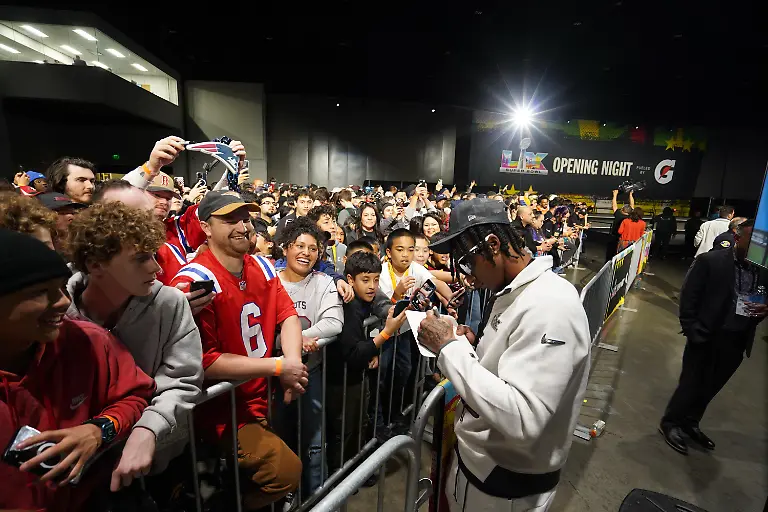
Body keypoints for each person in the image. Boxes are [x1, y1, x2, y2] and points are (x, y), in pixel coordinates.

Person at [417, 199, 590, 512]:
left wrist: (448, 348)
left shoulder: (550, 306)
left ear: (492, 245)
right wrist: (472, 348)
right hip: (483, 467)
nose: (467, 276)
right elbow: (507, 370)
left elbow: (524, 418)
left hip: (506, 483)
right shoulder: (514, 291)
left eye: (468, 263)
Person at [0, 229, 155, 511]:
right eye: (39, 292)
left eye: (61, 288)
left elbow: (136, 396)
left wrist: (100, 430)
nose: (62, 302)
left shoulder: (87, 341)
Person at [170, 191, 306, 510]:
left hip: (262, 398)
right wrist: (277, 367)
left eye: (245, 218)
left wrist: (292, 364)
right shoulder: (195, 280)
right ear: (205, 227)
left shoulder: (260, 264)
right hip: (224, 410)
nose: (243, 226)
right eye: (230, 219)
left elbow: (288, 315)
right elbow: (206, 361)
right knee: (285, 473)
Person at [63, 202, 203, 492]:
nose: (157, 267)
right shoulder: (59, 309)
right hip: (76, 470)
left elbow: (183, 379)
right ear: (95, 264)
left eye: (153, 254)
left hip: (154, 461)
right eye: (141, 258)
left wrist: (148, 428)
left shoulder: (169, 303)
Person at [660, 219, 766, 455]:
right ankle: (671, 423)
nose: (760, 245)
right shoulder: (711, 261)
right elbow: (689, 297)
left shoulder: (761, 268)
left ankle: (690, 422)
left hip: (737, 339)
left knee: (711, 387)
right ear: (738, 238)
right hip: (706, 336)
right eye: (755, 240)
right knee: (690, 384)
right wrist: (692, 330)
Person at [276, 217, 343, 494]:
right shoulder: (270, 279)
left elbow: (334, 323)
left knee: (314, 442)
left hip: (310, 372)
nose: (305, 253)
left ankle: (317, 497)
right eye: (299, 246)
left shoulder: (324, 282)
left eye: (313, 248)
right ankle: (284, 496)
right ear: (285, 249)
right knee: (278, 440)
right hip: (273, 374)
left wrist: (298, 339)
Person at [328, 251, 409, 473]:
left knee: (357, 425)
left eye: (375, 279)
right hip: (341, 380)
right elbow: (353, 352)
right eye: (365, 280)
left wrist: (371, 349)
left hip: (356, 376)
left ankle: (352, 471)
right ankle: (339, 478)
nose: (372, 286)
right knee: (343, 431)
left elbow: (361, 344)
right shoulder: (349, 306)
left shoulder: (366, 301)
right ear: (350, 280)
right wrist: (385, 334)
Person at [377, 228, 454, 437]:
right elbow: (381, 308)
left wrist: (451, 300)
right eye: (400, 249)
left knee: (403, 374)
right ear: (389, 252)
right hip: (383, 336)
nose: (405, 255)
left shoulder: (416, 269)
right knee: (382, 380)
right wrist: (398, 292)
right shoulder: (381, 272)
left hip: (404, 334)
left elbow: (436, 284)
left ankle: (397, 415)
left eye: (410, 249)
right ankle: (380, 424)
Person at [308, 204, 347, 274]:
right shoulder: (310, 250)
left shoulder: (344, 249)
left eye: (334, 222)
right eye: (326, 222)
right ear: (314, 226)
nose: (332, 226)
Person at [606, 189, 635, 262]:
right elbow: (632, 205)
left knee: (610, 254)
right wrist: (631, 195)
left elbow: (614, 206)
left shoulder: (619, 215)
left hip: (615, 237)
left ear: (622, 210)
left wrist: (615, 195)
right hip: (625, 239)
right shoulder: (631, 216)